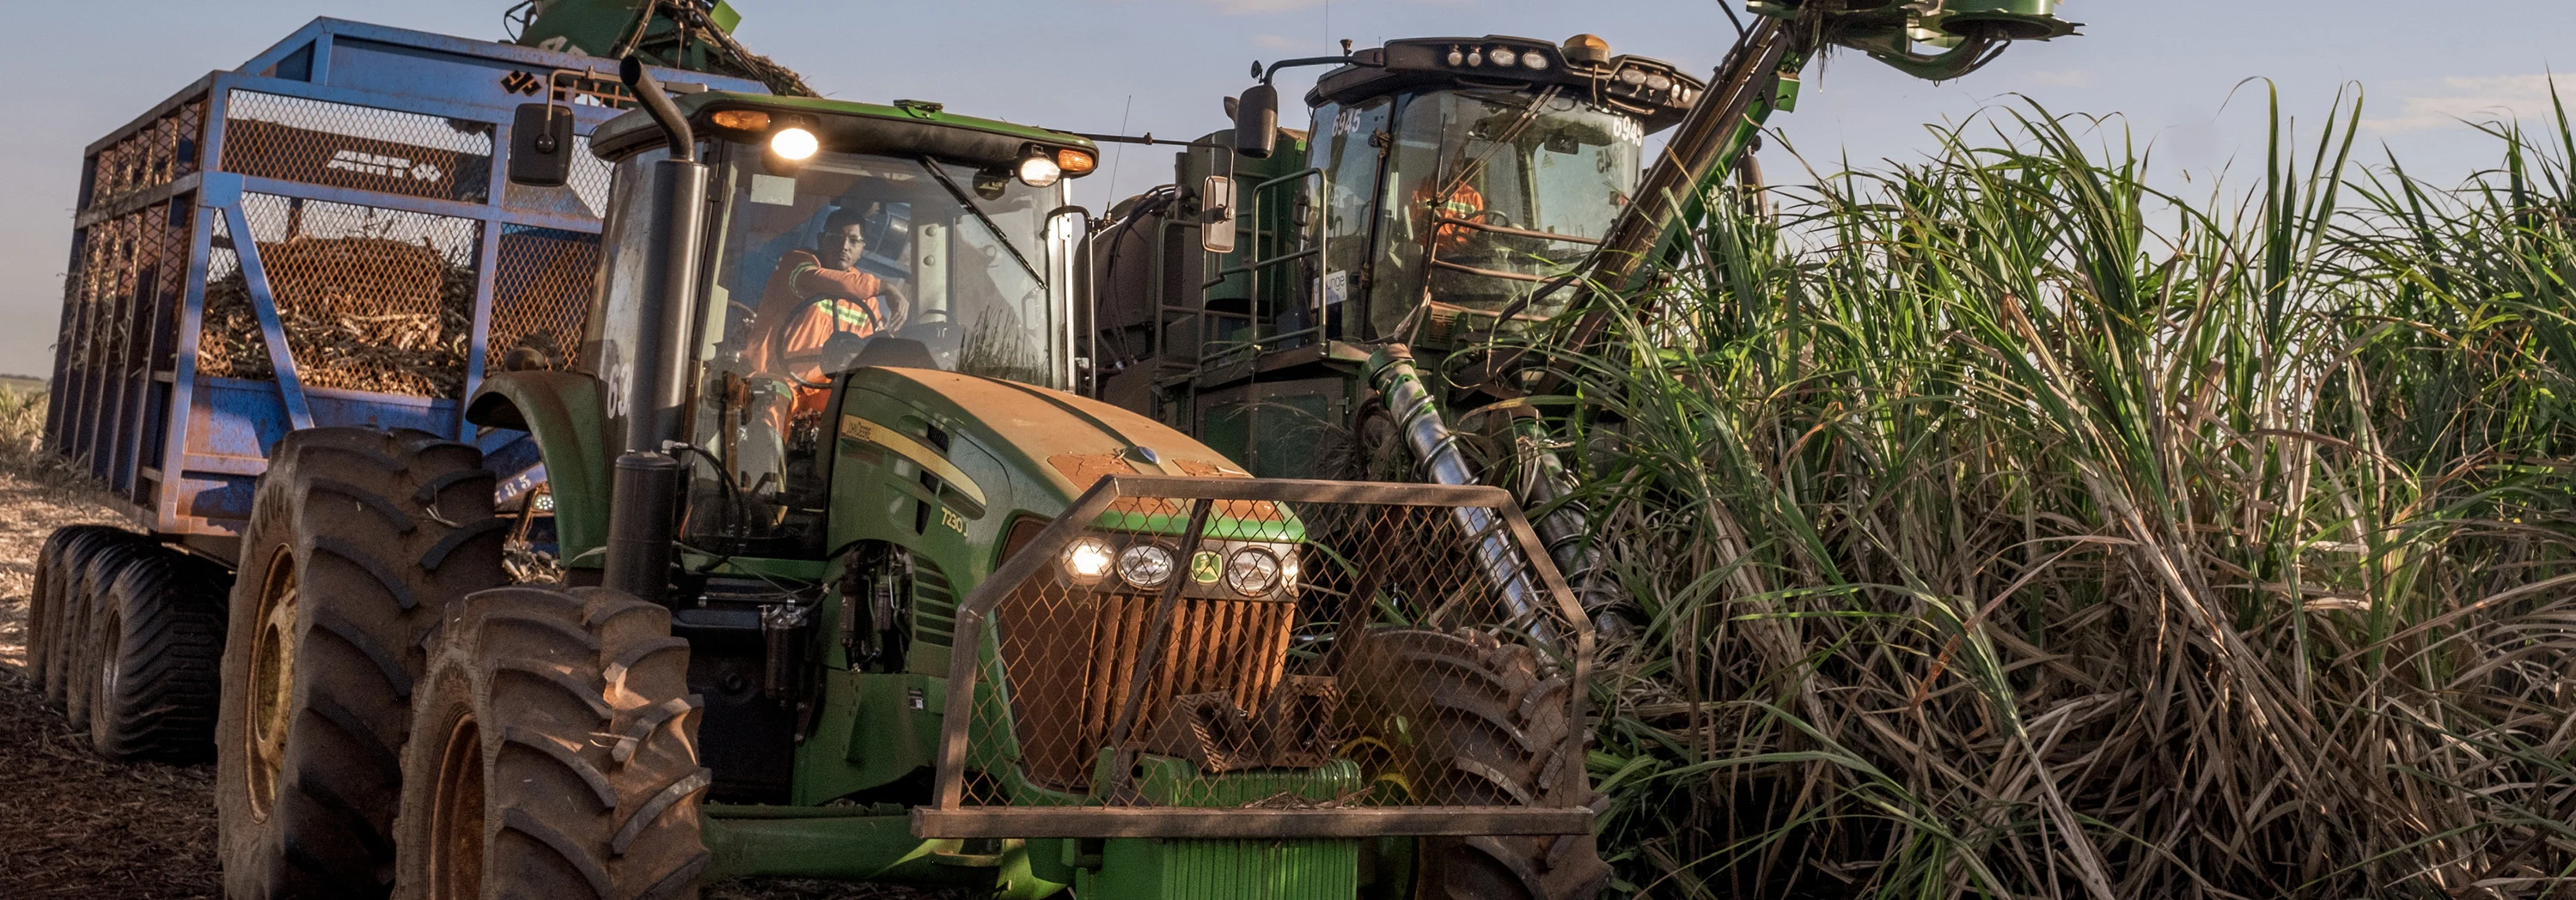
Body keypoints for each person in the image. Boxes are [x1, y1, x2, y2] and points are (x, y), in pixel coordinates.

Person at [751, 204, 911, 398]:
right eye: (836, 237)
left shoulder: (867, 303)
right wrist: (884, 287)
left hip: (825, 393)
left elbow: (871, 349)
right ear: (820, 239)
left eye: (853, 241)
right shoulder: (797, 264)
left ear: (862, 248)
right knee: (774, 407)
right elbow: (823, 280)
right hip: (774, 382)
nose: (844, 246)